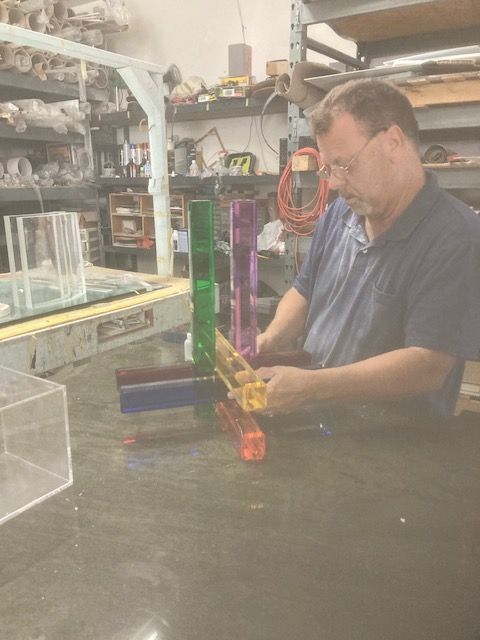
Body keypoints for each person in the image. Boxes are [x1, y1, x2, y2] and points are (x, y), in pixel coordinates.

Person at [256, 78, 480, 419]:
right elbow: (304, 292)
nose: (334, 183)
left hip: (391, 439)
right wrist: (267, 341)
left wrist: (313, 386)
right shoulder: (340, 213)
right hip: (321, 422)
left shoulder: (455, 237)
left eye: (345, 165)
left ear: (393, 142)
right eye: (328, 169)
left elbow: (427, 364)